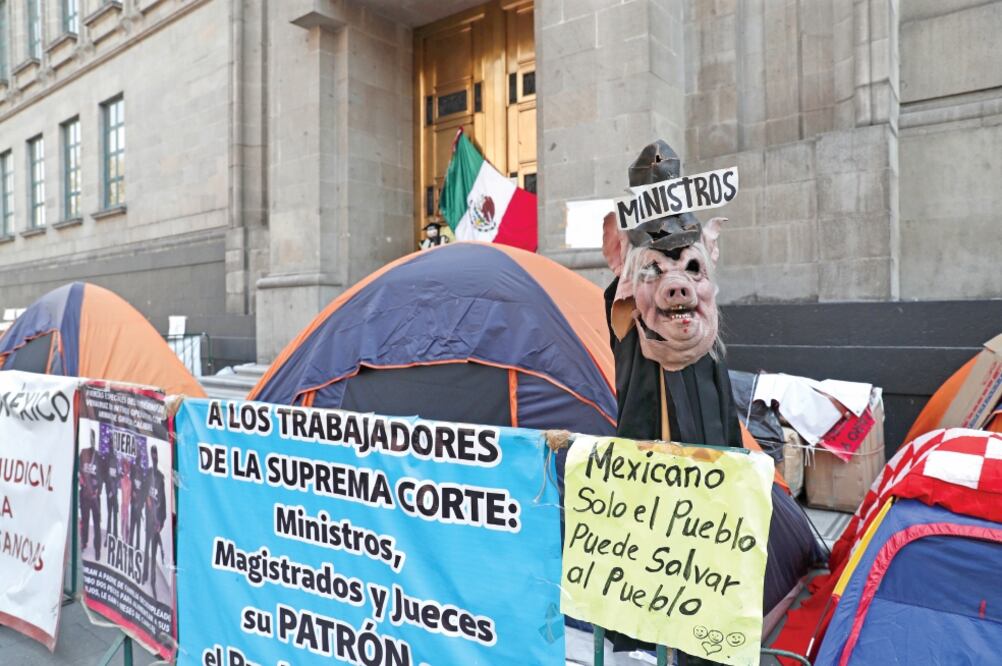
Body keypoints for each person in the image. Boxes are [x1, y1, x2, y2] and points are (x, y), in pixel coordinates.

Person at [143, 445, 168, 600]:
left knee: (153, 551)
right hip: (149, 518)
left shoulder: (160, 478)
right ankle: (145, 574)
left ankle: (152, 581)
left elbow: (163, 501)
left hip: (156, 520)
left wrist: (161, 521)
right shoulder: (148, 475)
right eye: (152, 454)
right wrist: (147, 502)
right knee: (146, 548)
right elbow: (144, 493)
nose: (154, 457)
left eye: (155, 454)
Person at [79, 428, 102, 561]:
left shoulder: (98, 457)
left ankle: (97, 549)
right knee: (85, 520)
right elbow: (78, 469)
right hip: (84, 495)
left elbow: (102, 477)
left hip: (95, 497)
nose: (92, 441)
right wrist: (82, 481)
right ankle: (84, 543)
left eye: (94, 438)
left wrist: (98, 489)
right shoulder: (83, 453)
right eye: (90, 437)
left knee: (97, 523)